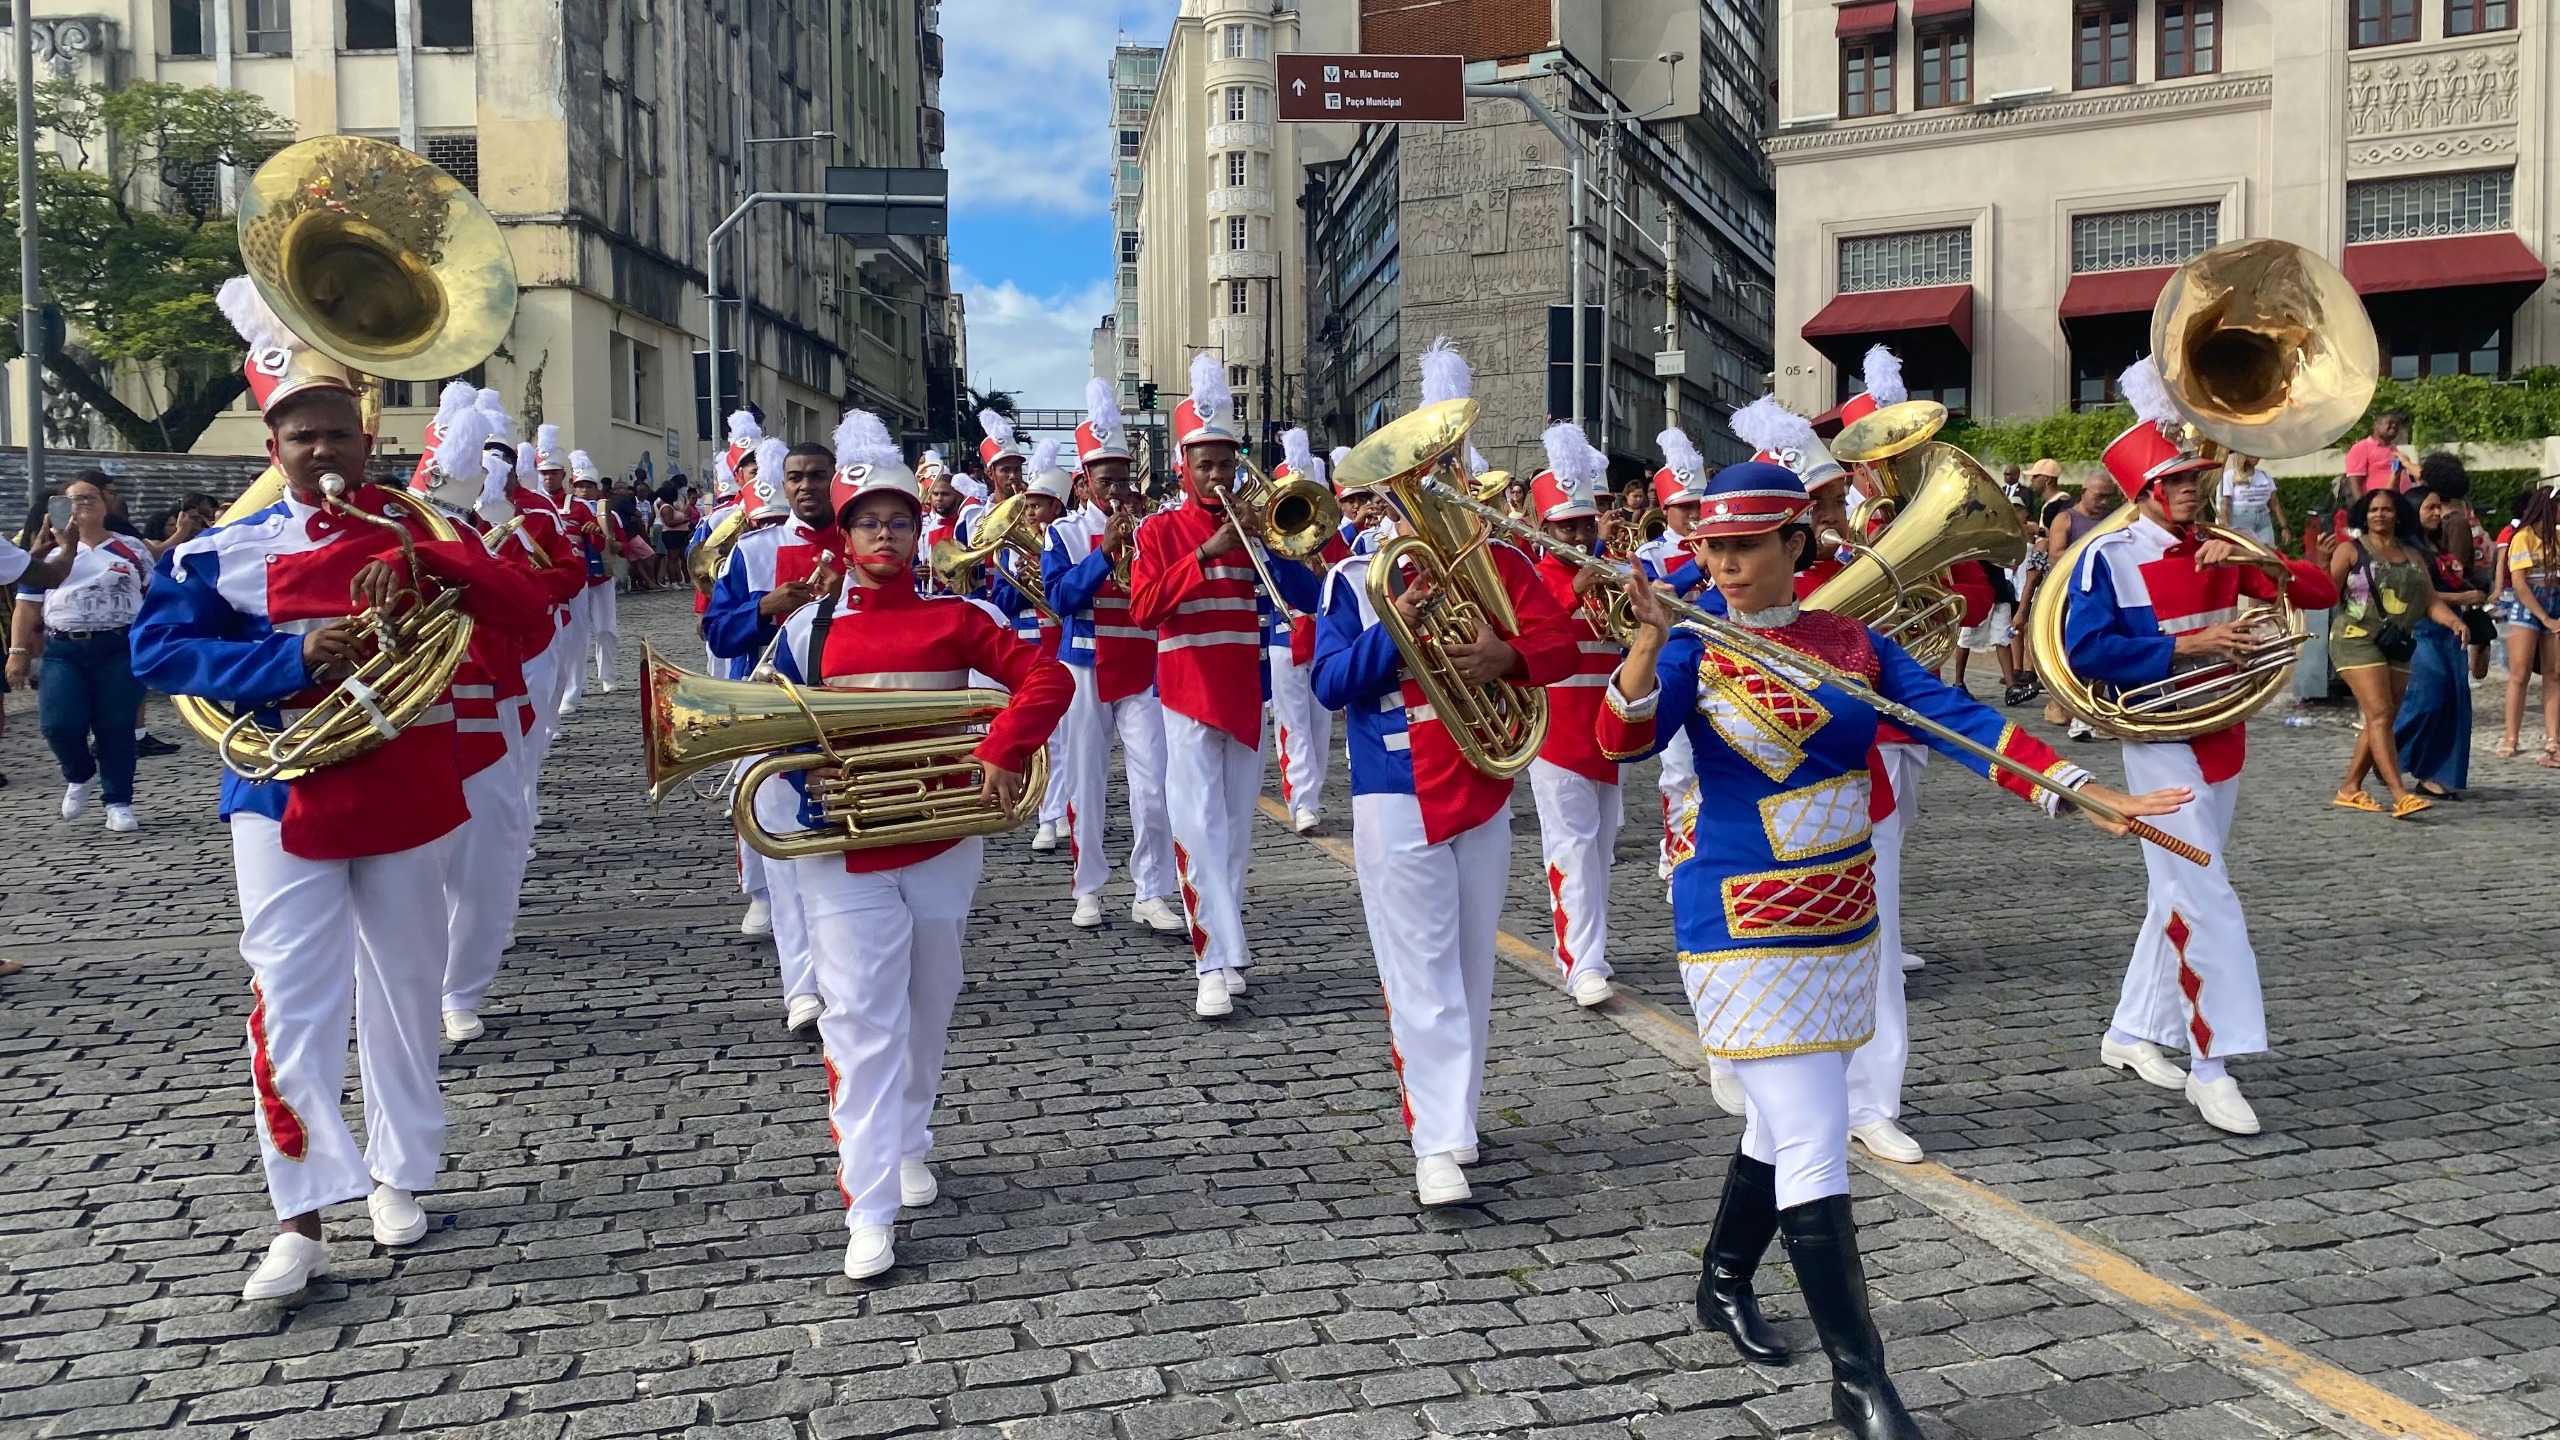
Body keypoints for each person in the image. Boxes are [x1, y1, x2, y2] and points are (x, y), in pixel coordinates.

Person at [1600, 459, 2181, 1440]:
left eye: (1746, 546)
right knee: (1815, 1134)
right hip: (1737, 921)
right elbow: (1623, 737)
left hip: (1840, 915)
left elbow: (1955, 721)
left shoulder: (1854, 646)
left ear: (1796, 545)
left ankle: (1722, 1278)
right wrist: (1649, 644)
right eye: (1711, 547)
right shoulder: (1696, 642)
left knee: (1781, 1121)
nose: (1726, 563)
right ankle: (1860, 1381)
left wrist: (2081, 789)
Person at [130, 282, 549, 1299]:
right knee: (288, 1005)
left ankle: (398, 1175)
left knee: (404, 994)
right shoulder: (216, 551)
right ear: (273, 447)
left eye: (336, 435)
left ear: (366, 442)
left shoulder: (416, 533)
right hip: (280, 798)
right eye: (301, 436)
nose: (320, 452)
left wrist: (429, 548)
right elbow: (157, 650)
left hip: (408, 786)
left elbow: (528, 620)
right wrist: (285, 661)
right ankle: (298, 1216)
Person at [761, 413, 1072, 1279]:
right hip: (842, 851)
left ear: (916, 529)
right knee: (861, 1019)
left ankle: (907, 1138)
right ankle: (867, 1206)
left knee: (929, 1003)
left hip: (941, 843)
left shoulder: (958, 617)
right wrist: (798, 778)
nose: (885, 535)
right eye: (869, 523)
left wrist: (1003, 745)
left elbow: (1048, 675)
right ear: (845, 533)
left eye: (899, 521)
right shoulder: (805, 631)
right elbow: (767, 735)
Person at [2063, 358, 2338, 1135]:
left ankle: (2127, 1032)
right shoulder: (2105, 558)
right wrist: (2189, 649)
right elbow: (2083, 652)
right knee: (2205, 894)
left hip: (2226, 734)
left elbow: (2316, 592)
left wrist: (2255, 559)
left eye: (2199, 476)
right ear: (2149, 489)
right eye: (2182, 478)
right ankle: (2212, 1065)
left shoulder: (2224, 542)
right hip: (2159, 741)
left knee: (2178, 893)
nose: (2196, 488)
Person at [1310, 414, 1579, 1207]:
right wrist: (1401, 629)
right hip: (1395, 789)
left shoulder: (1499, 561)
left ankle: (1455, 1120)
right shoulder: (1352, 579)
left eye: (1441, 471)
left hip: (1483, 778)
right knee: (1420, 974)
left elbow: (1562, 642)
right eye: (1408, 485)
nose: (1426, 491)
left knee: (1468, 970)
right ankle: (1434, 1142)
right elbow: (1330, 684)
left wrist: (1510, 656)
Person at [1128, 355, 1323, 1017]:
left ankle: (1229, 944)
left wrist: (1273, 543)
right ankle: (1211, 961)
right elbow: (1144, 607)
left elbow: (1306, 596)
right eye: (1203, 465)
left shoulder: (1255, 528)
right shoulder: (1158, 530)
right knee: (1199, 828)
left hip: (1245, 691)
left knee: (1236, 831)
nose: (1216, 476)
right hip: (1184, 693)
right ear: (1183, 468)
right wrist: (1206, 554)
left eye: (1225, 463)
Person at [707, 435, 848, 1034]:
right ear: (782, 482)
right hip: (771, 714)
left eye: (817, 476)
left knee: (848, 848)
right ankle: (802, 991)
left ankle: (848, 973)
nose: (806, 486)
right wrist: (765, 607)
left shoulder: (862, 539)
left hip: (847, 715)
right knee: (788, 860)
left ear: (833, 478)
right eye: (796, 477)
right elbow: (717, 633)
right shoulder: (753, 550)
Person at [1045, 379, 1183, 933]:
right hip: (1083, 661)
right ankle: (1088, 887)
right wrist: (1105, 554)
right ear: (1084, 485)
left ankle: (1151, 889)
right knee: (1086, 780)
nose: (1117, 493)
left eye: (1124, 482)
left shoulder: (1153, 529)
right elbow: (1060, 598)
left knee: (1155, 783)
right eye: (1106, 483)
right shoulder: (1065, 531)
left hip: (1144, 662)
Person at [1524, 422, 1641, 1010]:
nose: (1576, 533)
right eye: (1564, 525)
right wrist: (1577, 588)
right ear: (1544, 529)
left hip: (1606, 730)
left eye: (1583, 522)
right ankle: (1580, 960)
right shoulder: (1533, 580)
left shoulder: (1612, 573)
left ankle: (1586, 942)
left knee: (1600, 849)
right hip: (1556, 734)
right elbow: (1530, 637)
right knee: (1571, 847)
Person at [8, 476, 155, 831]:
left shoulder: (132, 548)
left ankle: (118, 801)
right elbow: (26, 607)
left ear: (106, 506)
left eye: (91, 498)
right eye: (72, 499)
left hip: (119, 647)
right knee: (58, 724)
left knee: (115, 726)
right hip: (64, 649)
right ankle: (80, 773)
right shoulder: (47, 553)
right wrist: (18, 651)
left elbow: (153, 600)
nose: (83, 504)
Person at [2328, 485, 2465, 818]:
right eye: (2373, 509)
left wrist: (2453, 623)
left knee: (2383, 717)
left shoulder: (2414, 554)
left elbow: (2430, 601)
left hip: (2397, 643)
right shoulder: (2350, 551)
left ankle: (2350, 788)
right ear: (2364, 514)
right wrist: (2319, 563)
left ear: (2398, 515)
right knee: (2379, 714)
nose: (2380, 515)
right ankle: (2399, 793)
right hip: (2355, 638)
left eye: (2387, 509)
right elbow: (2326, 594)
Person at [1266, 426, 1345, 837]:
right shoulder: (1270, 539)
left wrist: (1324, 570)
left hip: (1324, 637)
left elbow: (1348, 585)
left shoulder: (1330, 536)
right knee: (1293, 724)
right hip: (1286, 635)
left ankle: (1311, 795)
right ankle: (1302, 802)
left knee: (1319, 727)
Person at [2394, 482, 2487, 799]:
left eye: (2439, 507)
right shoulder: (2403, 550)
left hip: (2453, 630)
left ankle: (2434, 773)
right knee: (2428, 699)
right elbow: (2418, 595)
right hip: (2421, 629)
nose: (2438, 513)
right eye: (2430, 507)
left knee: (2455, 703)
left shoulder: (2436, 546)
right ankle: (2386, 751)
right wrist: (2464, 595)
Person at [2492, 485, 2560, 765]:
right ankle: (2511, 736)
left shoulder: (2557, 537)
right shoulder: (2523, 538)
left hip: (2555, 601)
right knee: (2519, 674)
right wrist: (2544, 617)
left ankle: (2553, 737)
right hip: (2527, 606)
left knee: (2554, 673)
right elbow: (2519, 583)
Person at [560, 456, 622, 706]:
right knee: (577, 633)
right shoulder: (564, 510)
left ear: (597, 489)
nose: (584, 490)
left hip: (602, 578)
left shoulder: (610, 514)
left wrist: (605, 538)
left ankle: (607, 676)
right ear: (572, 487)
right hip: (577, 580)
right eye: (579, 486)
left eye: (589, 486)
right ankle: (579, 681)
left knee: (605, 629)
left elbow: (621, 545)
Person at [2216, 453, 2288, 550]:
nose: (2257, 457)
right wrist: (2226, 527)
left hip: (2263, 520)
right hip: (2240, 520)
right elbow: (2225, 505)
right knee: (2243, 551)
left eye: (2257, 454)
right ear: (2243, 456)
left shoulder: (2264, 475)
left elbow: (2274, 503)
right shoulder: (2230, 476)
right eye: (2252, 454)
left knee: (2268, 552)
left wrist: (2284, 527)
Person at [2342, 411, 2411, 498]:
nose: (2394, 426)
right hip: (2378, 505)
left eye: (2396, 424)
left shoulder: (2394, 449)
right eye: (2389, 423)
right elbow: (2355, 482)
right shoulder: (2361, 447)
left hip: (2399, 503)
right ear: (2376, 425)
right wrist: (2363, 507)